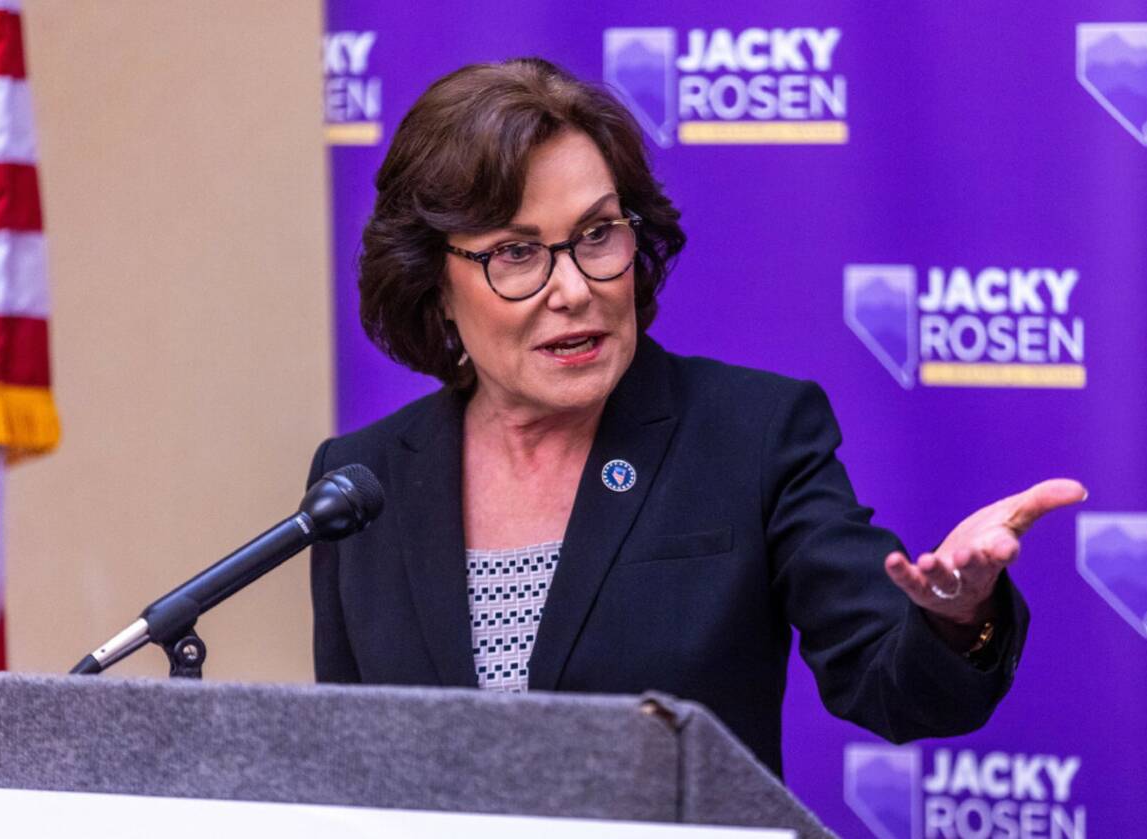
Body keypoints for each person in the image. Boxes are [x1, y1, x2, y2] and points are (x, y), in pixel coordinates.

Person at [308, 57, 1085, 776]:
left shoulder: (752, 435)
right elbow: (348, 766)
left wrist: (955, 617)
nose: (573, 287)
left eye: (596, 234)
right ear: (434, 285)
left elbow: (891, 683)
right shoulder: (362, 482)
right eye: (516, 252)